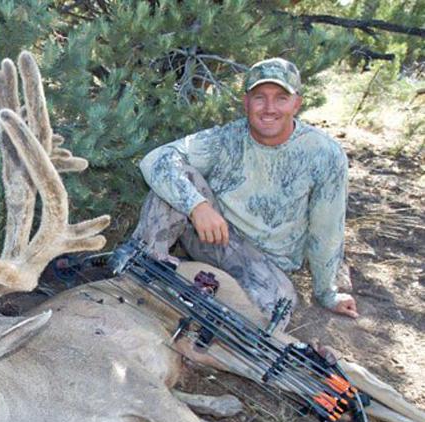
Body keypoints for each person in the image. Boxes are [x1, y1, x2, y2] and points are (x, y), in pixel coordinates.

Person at [130, 57, 358, 325]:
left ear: (297, 103)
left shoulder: (325, 154)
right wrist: (197, 206)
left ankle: (189, 306)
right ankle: (139, 270)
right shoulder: (224, 139)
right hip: (213, 239)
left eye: (281, 98)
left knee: (272, 315)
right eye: (260, 97)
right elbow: (156, 159)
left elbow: (327, 231)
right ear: (246, 102)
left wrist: (327, 293)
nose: (269, 108)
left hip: (269, 265)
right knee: (175, 178)